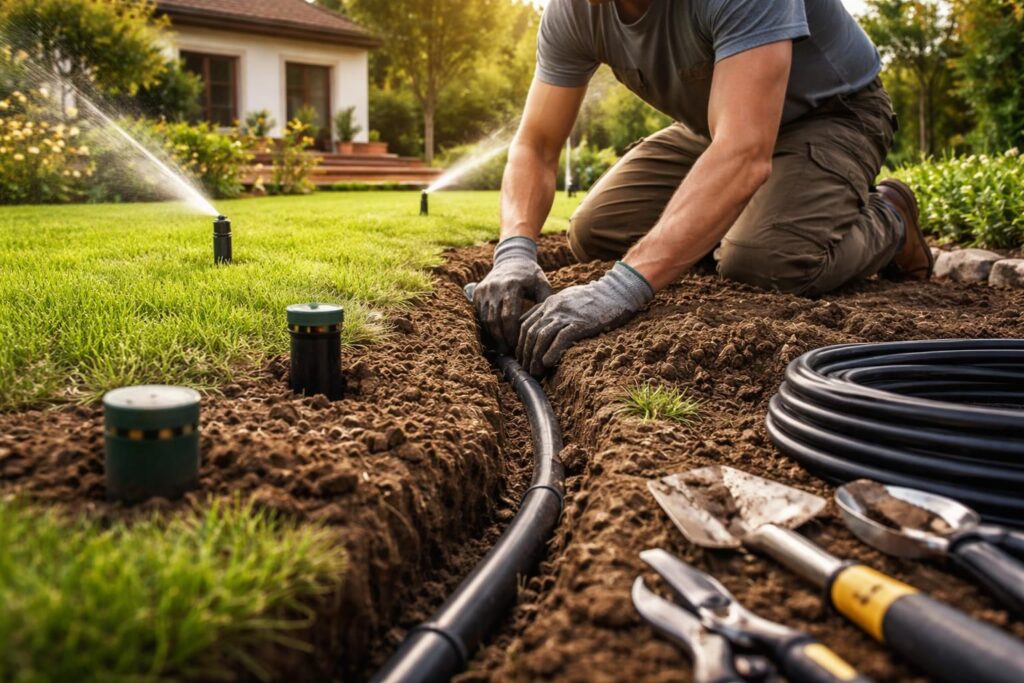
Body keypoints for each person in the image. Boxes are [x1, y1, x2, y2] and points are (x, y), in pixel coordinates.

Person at [472, 0, 934, 376]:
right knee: (595, 232)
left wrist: (621, 289)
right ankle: (734, 221)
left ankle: (891, 220)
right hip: (715, 123)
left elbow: (744, 153)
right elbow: (535, 144)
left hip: (831, 114)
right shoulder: (572, 12)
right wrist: (513, 251)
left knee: (763, 261)